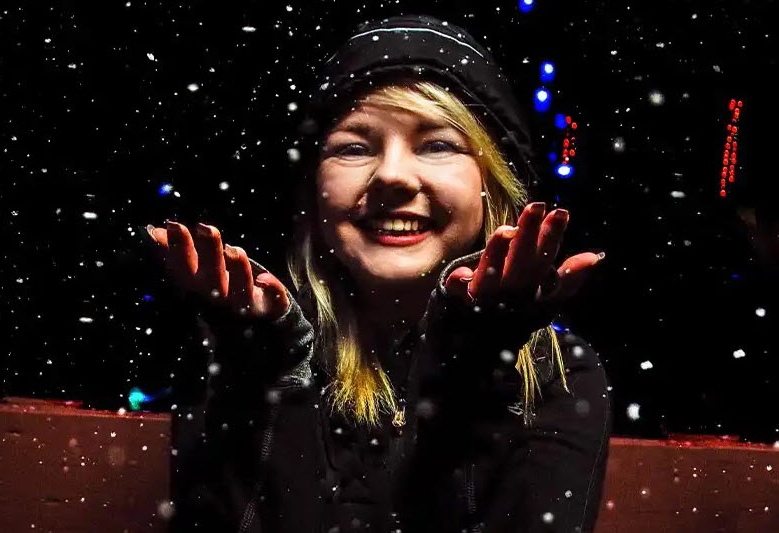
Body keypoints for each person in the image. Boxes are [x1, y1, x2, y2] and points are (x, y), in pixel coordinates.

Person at [145, 14, 611, 533]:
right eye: (354, 146)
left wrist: (473, 365)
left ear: (491, 184)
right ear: (313, 194)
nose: (391, 175)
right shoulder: (239, 349)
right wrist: (265, 380)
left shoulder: (556, 373)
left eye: (438, 144)